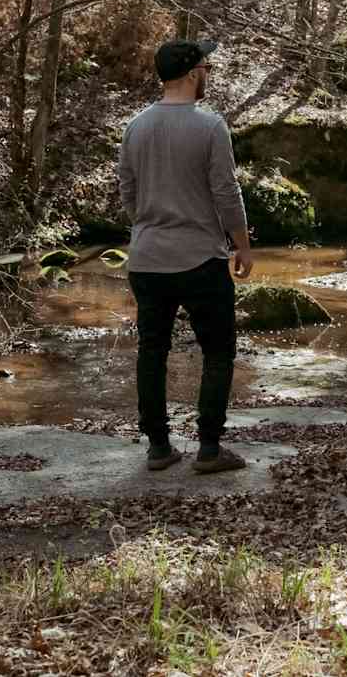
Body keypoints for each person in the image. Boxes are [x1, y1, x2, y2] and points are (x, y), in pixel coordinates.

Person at [117, 38, 254, 473]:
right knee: (217, 351)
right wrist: (242, 243)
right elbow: (226, 192)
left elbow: (128, 191)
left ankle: (159, 447)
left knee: (152, 351)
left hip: (147, 259)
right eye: (206, 68)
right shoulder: (210, 126)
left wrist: (150, 224)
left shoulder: (135, 127)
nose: (209, 74)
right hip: (200, 259)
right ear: (193, 74)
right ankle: (209, 449)